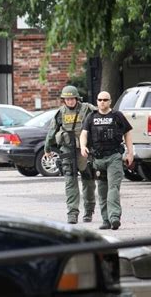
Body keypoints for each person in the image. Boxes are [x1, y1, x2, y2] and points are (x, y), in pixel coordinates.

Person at [80, 91, 133, 230]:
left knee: (113, 188)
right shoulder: (91, 117)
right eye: (100, 100)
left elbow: (127, 133)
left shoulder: (117, 116)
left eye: (105, 100)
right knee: (102, 191)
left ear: (110, 101)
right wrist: (83, 146)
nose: (102, 102)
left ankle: (114, 217)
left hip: (114, 157)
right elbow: (84, 134)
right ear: (96, 101)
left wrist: (130, 153)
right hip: (98, 159)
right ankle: (106, 220)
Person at [44, 85, 97, 224]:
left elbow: (100, 119)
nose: (70, 101)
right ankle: (72, 213)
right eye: (67, 99)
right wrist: (47, 148)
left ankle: (89, 209)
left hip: (85, 150)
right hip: (67, 150)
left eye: (72, 99)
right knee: (70, 182)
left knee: (89, 182)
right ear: (64, 100)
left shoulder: (88, 109)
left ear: (77, 98)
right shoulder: (60, 113)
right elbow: (52, 131)